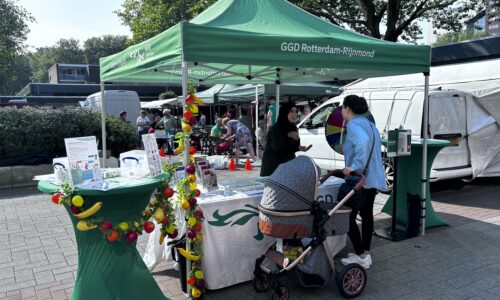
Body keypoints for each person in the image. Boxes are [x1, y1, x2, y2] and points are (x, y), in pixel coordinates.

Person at [321, 95, 385, 269]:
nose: (341, 111)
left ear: (348, 108)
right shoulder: (371, 125)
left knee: (348, 217)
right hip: (373, 178)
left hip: (360, 179)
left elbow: (362, 144)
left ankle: (361, 255)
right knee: (367, 215)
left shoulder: (354, 124)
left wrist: (355, 167)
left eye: (342, 108)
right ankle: (365, 253)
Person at [260, 102, 312, 176]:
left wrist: (299, 145)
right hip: (273, 166)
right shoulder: (276, 128)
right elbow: (278, 148)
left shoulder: (293, 127)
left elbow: (293, 147)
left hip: (288, 165)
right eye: (291, 111)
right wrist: (287, 136)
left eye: (296, 112)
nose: (294, 114)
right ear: (285, 112)